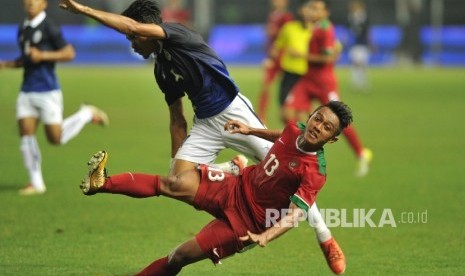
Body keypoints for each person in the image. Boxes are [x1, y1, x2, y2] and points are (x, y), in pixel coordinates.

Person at [59, 0, 345, 273]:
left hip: (234, 113)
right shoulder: (161, 69)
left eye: (134, 37)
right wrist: (178, 167)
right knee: (175, 182)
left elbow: (132, 28)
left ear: (144, 28)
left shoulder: (178, 34)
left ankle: (325, 237)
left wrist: (83, 9)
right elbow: (177, 120)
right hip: (206, 124)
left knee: (292, 163)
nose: (132, 44)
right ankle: (230, 169)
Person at [81, 101, 352, 275]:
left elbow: (295, 215)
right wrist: (249, 131)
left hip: (247, 224)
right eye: (318, 118)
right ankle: (102, 182)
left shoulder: (315, 172)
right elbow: (282, 135)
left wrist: (266, 236)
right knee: (174, 183)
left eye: (326, 127)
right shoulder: (297, 128)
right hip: (235, 186)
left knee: (179, 257)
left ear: (333, 139)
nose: (317, 127)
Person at [0, 0, 109, 196]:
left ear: (44, 4)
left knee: (55, 138)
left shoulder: (49, 26)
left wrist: (43, 56)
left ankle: (85, 114)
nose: (30, 3)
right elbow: (25, 59)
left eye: (35, 0)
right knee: (25, 133)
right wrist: (6, 64)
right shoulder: (23, 28)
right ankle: (36, 183)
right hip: (27, 90)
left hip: (48, 91)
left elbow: (69, 53)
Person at [284, 0, 372, 177]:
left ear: (326, 12)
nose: (311, 11)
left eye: (316, 8)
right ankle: (293, 156)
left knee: (339, 119)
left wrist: (301, 55)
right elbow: (333, 49)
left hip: (324, 83)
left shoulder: (325, 29)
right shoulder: (317, 26)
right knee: (288, 112)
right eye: (310, 7)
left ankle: (362, 153)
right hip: (308, 81)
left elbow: (326, 59)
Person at [270, 0, 313, 123]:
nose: (308, 12)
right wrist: (273, 54)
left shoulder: (315, 30)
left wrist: (302, 54)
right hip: (288, 74)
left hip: (305, 75)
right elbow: (278, 45)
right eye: (306, 9)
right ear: (300, 10)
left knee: (300, 113)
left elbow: (331, 48)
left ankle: (301, 138)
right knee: (284, 114)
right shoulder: (289, 28)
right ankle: (296, 137)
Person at [257, 0, 293, 123]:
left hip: (282, 56)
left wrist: (274, 33)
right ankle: (261, 117)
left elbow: (287, 36)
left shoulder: (287, 17)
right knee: (265, 85)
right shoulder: (272, 15)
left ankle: (292, 113)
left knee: (290, 88)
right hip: (272, 56)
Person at [348, 0, 370, 91]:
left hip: (362, 44)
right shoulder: (351, 17)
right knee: (355, 63)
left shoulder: (364, 18)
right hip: (354, 44)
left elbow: (367, 31)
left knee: (362, 64)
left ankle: (363, 83)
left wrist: (370, 42)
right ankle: (355, 82)